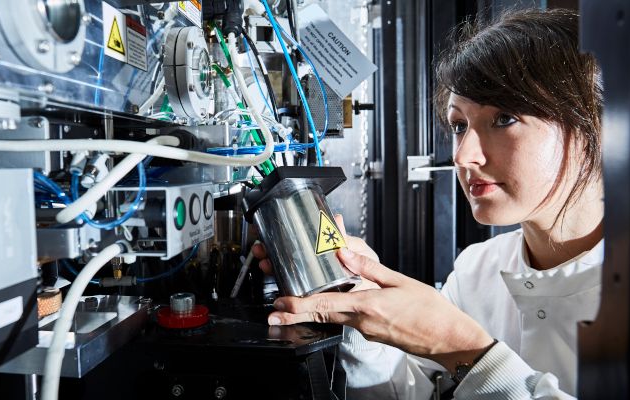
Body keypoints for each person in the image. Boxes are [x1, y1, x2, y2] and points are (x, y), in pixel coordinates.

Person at [253, 8, 603, 399]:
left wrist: (464, 349)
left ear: (593, 129)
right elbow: (401, 392)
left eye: (504, 118)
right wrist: (361, 312)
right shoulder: (477, 270)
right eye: (459, 126)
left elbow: (458, 356)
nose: (463, 155)